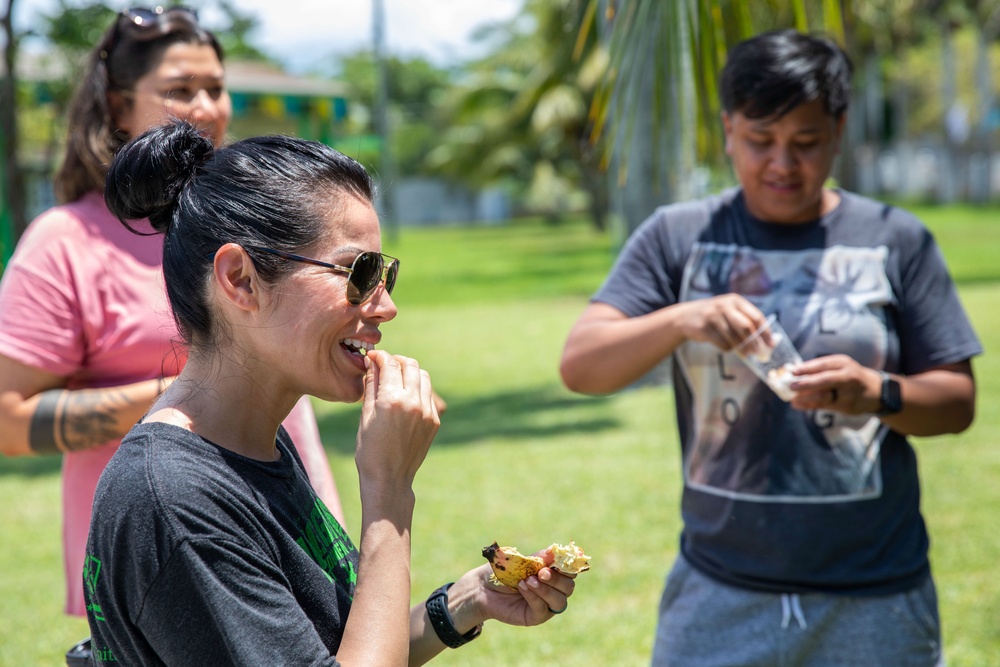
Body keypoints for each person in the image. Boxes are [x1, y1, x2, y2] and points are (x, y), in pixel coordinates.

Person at [83, 119, 576, 664]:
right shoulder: (173, 500)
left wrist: (464, 602)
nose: (385, 305)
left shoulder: (252, 445)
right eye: (357, 271)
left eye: (386, 274)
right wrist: (389, 493)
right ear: (241, 280)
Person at [560, 29, 980, 666]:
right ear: (728, 129)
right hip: (719, 591)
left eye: (807, 143)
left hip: (876, 597)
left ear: (838, 131)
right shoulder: (679, 236)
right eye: (760, 141)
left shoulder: (894, 238)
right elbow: (582, 365)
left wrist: (875, 391)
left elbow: (956, 402)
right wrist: (683, 319)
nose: (783, 164)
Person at [0, 6, 343, 620]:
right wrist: (198, 393)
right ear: (117, 105)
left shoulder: (253, 219)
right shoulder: (65, 241)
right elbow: (7, 418)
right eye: (179, 91)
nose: (207, 108)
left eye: (216, 87)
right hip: (165, 554)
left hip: (294, 524)